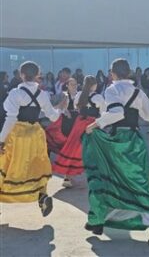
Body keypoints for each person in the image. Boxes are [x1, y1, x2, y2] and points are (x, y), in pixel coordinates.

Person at [83, 59, 149, 246]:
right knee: (136, 185)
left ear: (113, 73)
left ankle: (99, 220)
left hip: (118, 142)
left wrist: (95, 124)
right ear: (129, 72)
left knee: (105, 177)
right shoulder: (138, 92)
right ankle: (100, 222)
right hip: (135, 142)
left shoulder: (112, 89)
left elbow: (117, 113)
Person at [0, 61, 66, 215]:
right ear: (37, 75)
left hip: (18, 133)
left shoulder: (15, 94)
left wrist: (1, 139)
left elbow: (11, 118)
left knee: (6, 165)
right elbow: (53, 117)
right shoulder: (42, 94)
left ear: (22, 75)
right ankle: (42, 196)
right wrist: (61, 109)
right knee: (37, 165)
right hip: (36, 134)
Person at [52, 76, 106, 188]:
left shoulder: (79, 95)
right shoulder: (98, 97)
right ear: (94, 85)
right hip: (92, 124)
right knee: (94, 151)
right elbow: (103, 112)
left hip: (79, 123)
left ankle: (68, 176)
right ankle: (96, 177)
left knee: (73, 149)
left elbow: (77, 108)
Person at [45, 78, 79, 155]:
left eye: (75, 84)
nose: (74, 86)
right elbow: (54, 107)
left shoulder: (80, 95)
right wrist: (64, 109)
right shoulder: (63, 95)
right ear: (67, 85)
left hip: (76, 121)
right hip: (64, 121)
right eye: (72, 84)